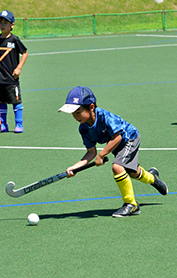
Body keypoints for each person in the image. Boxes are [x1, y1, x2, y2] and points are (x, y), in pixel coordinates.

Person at [59, 86, 168, 218]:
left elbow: (118, 137)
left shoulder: (104, 116)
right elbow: (91, 152)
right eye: (73, 113)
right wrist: (75, 167)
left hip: (129, 138)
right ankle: (153, 178)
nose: (75, 117)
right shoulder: (83, 129)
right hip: (116, 145)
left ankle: (131, 204)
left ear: (91, 107)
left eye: (78, 112)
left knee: (117, 167)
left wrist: (102, 155)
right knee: (132, 173)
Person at [0, 10, 28, 133]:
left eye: (5, 22)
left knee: (16, 101)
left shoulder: (14, 40)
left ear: (12, 25)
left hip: (12, 78)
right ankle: (3, 124)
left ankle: (19, 124)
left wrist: (19, 68)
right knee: (2, 102)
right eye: (0, 22)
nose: (2, 25)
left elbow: (24, 53)